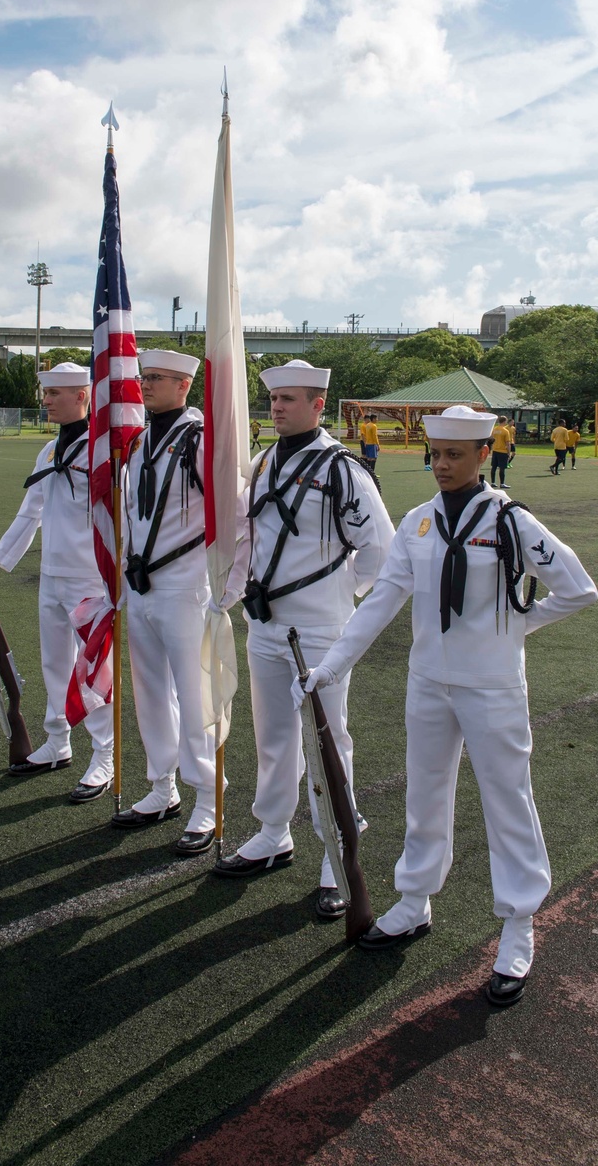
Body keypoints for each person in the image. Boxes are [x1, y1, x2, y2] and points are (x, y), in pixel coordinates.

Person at [298, 405, 597, 1004]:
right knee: (424, 792)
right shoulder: (417, 523)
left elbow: (578, 588)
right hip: (429, 681)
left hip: (492, 687)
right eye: (434, 454)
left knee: (507, 800)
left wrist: (517, 628)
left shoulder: (510, 521)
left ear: (483, 455)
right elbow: (382, 601)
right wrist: (330, 667)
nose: (440, 465)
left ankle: (518, 926)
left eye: (453, 455)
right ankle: (413, 900)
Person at [214, 359, 395, 919]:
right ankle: (273, 831)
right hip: (266, 625)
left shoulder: (344, 470)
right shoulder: (265, 461)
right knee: (272, 736)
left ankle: (338, 850)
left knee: (327, 740)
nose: (279, 407)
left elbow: (382, 553)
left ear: (319, 405)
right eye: (275, 399)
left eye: (290, 399)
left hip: (319, 631)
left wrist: (338, 598)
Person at [0, 363, 113, 800]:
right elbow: (31, 513)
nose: (45, 400)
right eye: (45, 393)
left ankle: (103, 756)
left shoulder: (102, 450)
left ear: (83, 396)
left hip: (92, 579)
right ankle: (58, 740)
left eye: (55, 394)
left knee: (92, 671)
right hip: (52, 576)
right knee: (54, 663)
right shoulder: (49, 451)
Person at [113, 348, 218, 855]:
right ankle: (162, 785)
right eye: (142, 377)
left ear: (183, 385)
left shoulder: (199, 439)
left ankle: (207, 799)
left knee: (195, 696)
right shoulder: (139, 442)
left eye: (154, 378)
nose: (144, 385)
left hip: (184, 586)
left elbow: (228, 514)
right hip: (142, 587)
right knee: (150, 690)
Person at [489, 416, 514, 488]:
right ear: (504, 421)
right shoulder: (505, 431)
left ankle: (493, 482)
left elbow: (491, 439)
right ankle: (502, 483)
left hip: (495, 450)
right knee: (502, 468)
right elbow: (508, 443)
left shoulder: (494, 429)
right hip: (502, 451)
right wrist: (508, 453)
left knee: (494, 467)